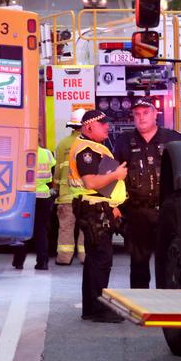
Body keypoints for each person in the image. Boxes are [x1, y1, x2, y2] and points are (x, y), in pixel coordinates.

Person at [114, 98, 181, 288]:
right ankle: (140, 305)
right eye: (137, 114)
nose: (141, 117)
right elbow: (112, 176)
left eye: (146, 113)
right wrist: (115, 207)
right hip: (137, 213)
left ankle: (165, 306)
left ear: (155, 114)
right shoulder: (123, 142)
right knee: (138, 265)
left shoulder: (174, 139)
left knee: (168, 262)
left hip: (167, 213)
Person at [70, 109, 127, 323]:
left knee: (95, 259)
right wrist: (116, 174)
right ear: (89, 127)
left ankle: (92, 308)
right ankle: (99, 309)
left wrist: (113, 205)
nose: (107, 127)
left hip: (98, 207)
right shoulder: (86, 149)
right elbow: (91, 183)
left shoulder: (94, 147)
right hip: (94, 210)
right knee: (101, 259)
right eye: (102, 124)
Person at [14, 137, 55, 270]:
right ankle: (42, 262)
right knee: (41, 230)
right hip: (44, 195)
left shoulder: (22, 153)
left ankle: (19, 262)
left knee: (22, 229)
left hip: (26, 197)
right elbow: (53, 171)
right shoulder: (47, 153)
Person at [54, 108, 87, 265]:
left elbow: (57, 171)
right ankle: (84, 256)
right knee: (85, 228)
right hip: (85, 195)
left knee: (66, 228)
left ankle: (64, 258)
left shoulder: (62, 145)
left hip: (66, 195)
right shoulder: (89, 144)